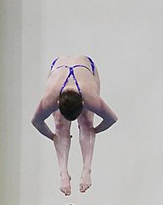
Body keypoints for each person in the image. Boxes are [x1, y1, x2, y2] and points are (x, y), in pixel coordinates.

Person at [31, 55, 118, 195]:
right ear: (57, 104)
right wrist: (52, 136)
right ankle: (63, 174)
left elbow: (111, 119)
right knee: (60, 124)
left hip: (87, 67)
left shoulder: (90, 98)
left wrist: (94, 130)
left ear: (83, 103)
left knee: (86, 121)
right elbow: (36, 121)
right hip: (58, 68)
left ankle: (87, 170)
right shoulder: (50, 98)